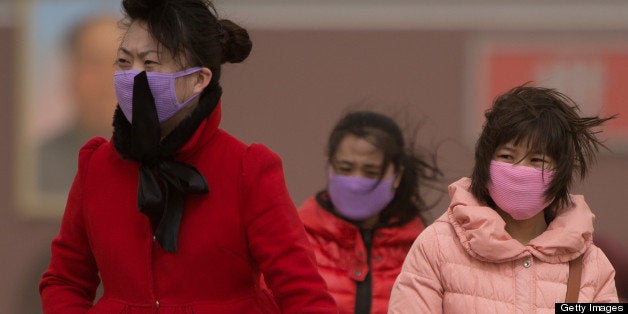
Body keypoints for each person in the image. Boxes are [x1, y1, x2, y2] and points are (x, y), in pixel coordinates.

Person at [39, 0, 337, 313]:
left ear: (199, 79)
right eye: (124, 63)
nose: (132, 76)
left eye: (150, 63)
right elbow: (64, 280)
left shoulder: (248, 169)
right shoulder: (97, 164)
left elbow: (304, 296)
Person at [389, 84, 619, 313]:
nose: (519, 170)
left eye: (537, 160)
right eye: (507, 156)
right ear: (485, 163)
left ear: (560, 173)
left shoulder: (591, 263)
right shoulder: (438, 245)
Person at [298, 110, 442, 313]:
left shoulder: (423, 251)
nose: (356, 182)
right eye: (345, 168)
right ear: (329, 167)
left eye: (371, 172)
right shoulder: (296, 241)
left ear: (397, 176)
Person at [38, 14, 121, 194]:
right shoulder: (35, 164)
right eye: (94, 63)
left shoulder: (173, 162)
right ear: (71, 76)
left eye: (121, 64)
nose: (108, 79)